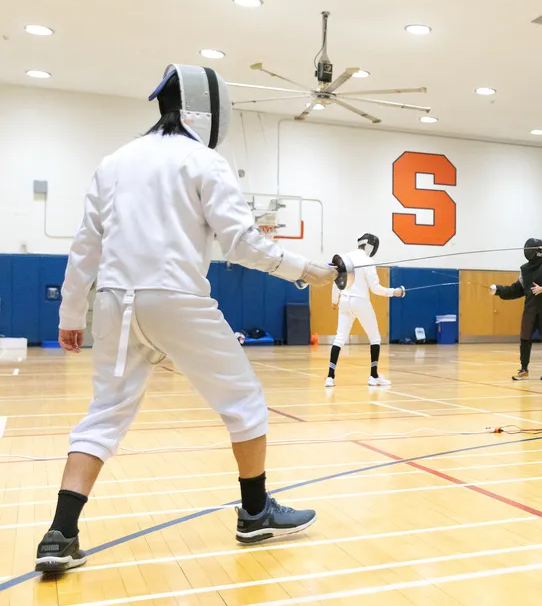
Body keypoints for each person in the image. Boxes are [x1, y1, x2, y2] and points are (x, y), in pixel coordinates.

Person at [36, 64, 337, 574]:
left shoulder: (113, 162)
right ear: (208, 109)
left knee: (104, 415)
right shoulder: (204, 160)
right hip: (176, 300)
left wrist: (71, 313)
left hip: (113, 303)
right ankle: (256, 511)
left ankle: (60, 533)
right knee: (243, 402)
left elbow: (86, 244)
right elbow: (239, 242)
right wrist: (304, 270)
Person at [326, 233, 405, 388]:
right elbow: (375, 289)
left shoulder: (346, 257)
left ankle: (330, 377)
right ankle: (373, 376)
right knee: (375, 338)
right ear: (370, 246)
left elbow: (337, 282)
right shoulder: (368, 261)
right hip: (360, 302)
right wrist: (394, 292)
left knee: (339, 338)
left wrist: (334, 301)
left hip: (344, 301)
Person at [490, 238, 542, 381]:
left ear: (537, 252)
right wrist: (498, 290)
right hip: (530, 309)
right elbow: (516, 289)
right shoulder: (525, 270)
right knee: (525, 338)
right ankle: (524, 370)